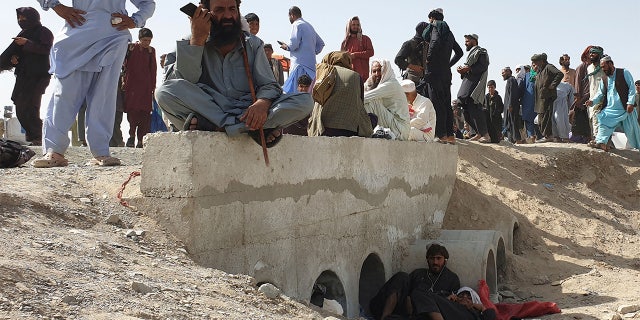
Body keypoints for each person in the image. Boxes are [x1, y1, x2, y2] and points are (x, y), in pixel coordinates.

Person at [155, 0, 313, 148]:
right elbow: (182, 84)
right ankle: (253, 129)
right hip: (209, 109)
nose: (228, 16)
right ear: (204, 11)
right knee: (163, 93)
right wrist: (197, 42)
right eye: (219, 10)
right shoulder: (189, 42)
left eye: (232, 9)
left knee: (305, 101)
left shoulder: (252, 44)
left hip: (246, 112)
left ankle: (220, 127)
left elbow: (269, 85)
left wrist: (261, 104)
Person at [32, 0, 155, 168]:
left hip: (113, 36)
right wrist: (56, 6)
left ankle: (100, 151)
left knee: (104, 94)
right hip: (76, 35)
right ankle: (55, 151)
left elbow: (147, 2)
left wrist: (136, 20)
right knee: (65, 94)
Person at [0, 7, 53, 146]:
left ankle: (39, 137)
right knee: (20, 106)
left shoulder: (44, 32)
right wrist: (14, 58)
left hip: (39, 76)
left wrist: (27, 43)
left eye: (24, 18)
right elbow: (15, 53)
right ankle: (33, 137)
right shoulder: (23, 33)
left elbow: (47, 49)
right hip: (24, 76)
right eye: (19, 19)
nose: (21, 21)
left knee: (31, 105)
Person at [368, 244, 462, 319]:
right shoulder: (418, 273)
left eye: (438, 258)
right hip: (407, 309)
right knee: (402, 276)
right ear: (427, 260)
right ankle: (385, 317)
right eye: (432, 258)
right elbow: (404, 291)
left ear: (445, 260)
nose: (435, 262)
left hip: (429, 313)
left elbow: (453, 304)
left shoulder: (452, 278)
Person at [307, 51, 373, 137]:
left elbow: (310, 99)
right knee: (372, 117)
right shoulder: (356, 77)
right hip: (350, 130)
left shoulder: (323, 73)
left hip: (323, 129)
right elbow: (360, 103)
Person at [423, 8, 464, 144]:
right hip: (446, 73)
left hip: (435, 72)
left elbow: (434, 42)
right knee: (446, 103)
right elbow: (459, 52)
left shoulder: (436, 28)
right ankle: (450, 136)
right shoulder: (449, 33)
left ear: (433, 18)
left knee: (436, 103)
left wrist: (429, 59)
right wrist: (448, 64)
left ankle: (441, 135)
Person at [586, 55, 640, 151]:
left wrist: (630, 103)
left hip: (625, 108)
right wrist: (592, 101)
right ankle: (601, 142)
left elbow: (632, 88)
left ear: (610, 64)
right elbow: (600, 93)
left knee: (632, 131)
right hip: (611, 109)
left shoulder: (624, 72)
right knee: (603, 120)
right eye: (601, 67)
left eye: (604, 67)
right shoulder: (604, 78)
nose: (603, 69)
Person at [123, 27, 157, 148]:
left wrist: (153, 88)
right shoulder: (131, 48)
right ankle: (131, 136)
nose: (147, 43)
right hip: (132, 86)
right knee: (132, 113)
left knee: (145, 115)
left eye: (149, 40)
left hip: (146, 88)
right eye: (145, 40)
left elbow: (153, 70)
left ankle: (141, 140)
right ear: (140, 39)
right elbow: (124, 64)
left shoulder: (151, 51)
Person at [280, 6, 325, 94]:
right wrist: (312, 51)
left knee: (296, 96)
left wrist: (286, 47)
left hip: (299, 66)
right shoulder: (309, 26)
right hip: (311, 68)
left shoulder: (297, 24)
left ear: (292, 15)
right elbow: (321, 44)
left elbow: (294, 44)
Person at [363, 59, 410, 140]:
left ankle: (364, 131)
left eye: (379, 70)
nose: (377, 74)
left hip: (400, 129)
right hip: (393, 124)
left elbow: (364, 98)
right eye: (374, 71)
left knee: (370, 102)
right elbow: (363, 89)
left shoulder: (391, 84)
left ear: (386, 70)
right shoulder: (378, 84)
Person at [456, 33, 490, 143]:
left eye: (467, 41)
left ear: (474, 41)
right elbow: (468, 69)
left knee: (475, 108)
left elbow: (482, 66)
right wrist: (462, 70)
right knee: (465, 109)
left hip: (475, 85)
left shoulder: (481, 52)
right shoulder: (471, 54)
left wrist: (468, 69)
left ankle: (485, 134)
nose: (465, 43)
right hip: (468, 83)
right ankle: (478, 133)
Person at [531, 53, 564, 143]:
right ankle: (546, 135)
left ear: (541, 61)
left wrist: (552, 86)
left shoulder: (549, 67)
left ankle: (548, 136)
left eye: (536, 62)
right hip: (540, 97)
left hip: (547, 96)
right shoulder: (540, 70)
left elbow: (559, 74)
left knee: (545, 117)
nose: (535, 64)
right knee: (541, 118)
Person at [570, 46, 594, 143]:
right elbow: (577, 84)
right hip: (583, 98)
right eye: (590, 53)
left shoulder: (597, 67)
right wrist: (578, 98)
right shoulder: (582, 67)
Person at [340, 16, 374, 81]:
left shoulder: (365, 39)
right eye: (353, 25)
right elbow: (341, 59)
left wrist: (355, 55)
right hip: (349, 77)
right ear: (349, 26)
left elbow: (371, 52)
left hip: (362, 77)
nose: (356, 27)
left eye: (358, 25)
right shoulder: (345, 43)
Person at [395, 22, 428, 86]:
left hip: (425, 81)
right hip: (411, 81)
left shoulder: (427, 44)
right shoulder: (409, 44)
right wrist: (413, 67)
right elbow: (398, 59)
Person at [586, 46, 605, 140]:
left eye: (594, 53)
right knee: (593, 120)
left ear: (599, 54)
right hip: (592, 99)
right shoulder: (589, 68)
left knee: (599, 120)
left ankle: (599, 141)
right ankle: (598, 140)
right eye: (590, 53)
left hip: (603, 99)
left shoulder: (604, 68)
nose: (591, 55)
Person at [502, 67, 523, 144]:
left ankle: (518, 140)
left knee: (513, 123)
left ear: (508, 72)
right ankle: (512, 140)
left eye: (503, 72)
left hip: (512, 106)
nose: (502, 74)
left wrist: (510, 105)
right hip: (510, 106)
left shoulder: (511, 80)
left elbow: (513, 93)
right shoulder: (510, 80)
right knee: (510, 124)